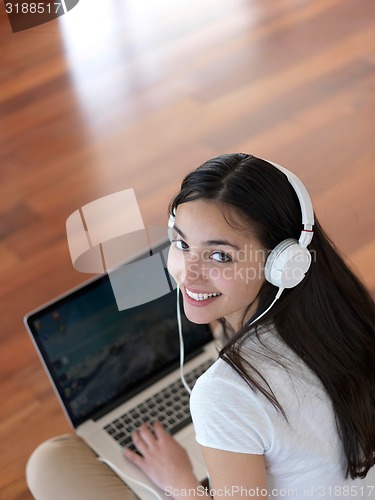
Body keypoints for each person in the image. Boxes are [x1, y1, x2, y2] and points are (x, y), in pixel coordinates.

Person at [27, 154, 375, 499]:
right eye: (182, 244)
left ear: (282, 263)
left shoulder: (225, 392)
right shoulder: (349, 318)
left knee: (51, 462)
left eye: (219, 255)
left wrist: (180, 481)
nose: (188, 274)